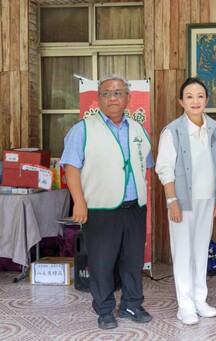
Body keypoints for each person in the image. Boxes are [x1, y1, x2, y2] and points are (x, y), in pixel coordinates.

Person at [60, 74, 153, 330]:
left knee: (133, 260)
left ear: (128, 98)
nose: (113, 97)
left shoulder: (138, 129)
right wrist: (79, 202)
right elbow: (71, 167)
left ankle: (132, 303)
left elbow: (145, 165)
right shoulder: (83, 129)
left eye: (119, 93)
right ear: (98, 98)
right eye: (107, 93)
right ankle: (103, 309)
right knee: (101, 262)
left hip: (134, 207)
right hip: (100, 208)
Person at [155, 77, 216, 325]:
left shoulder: (214, 128)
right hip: (182, 201)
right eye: (189, 96)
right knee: (183, 252)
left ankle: (200, 299)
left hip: (207, 199)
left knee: (200, 251)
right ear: (181, 101)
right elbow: (164, 168)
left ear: (207, 100)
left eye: (200, 96)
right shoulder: (172, 130)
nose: (195, 101)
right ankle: (185, 305)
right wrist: (172, 200)